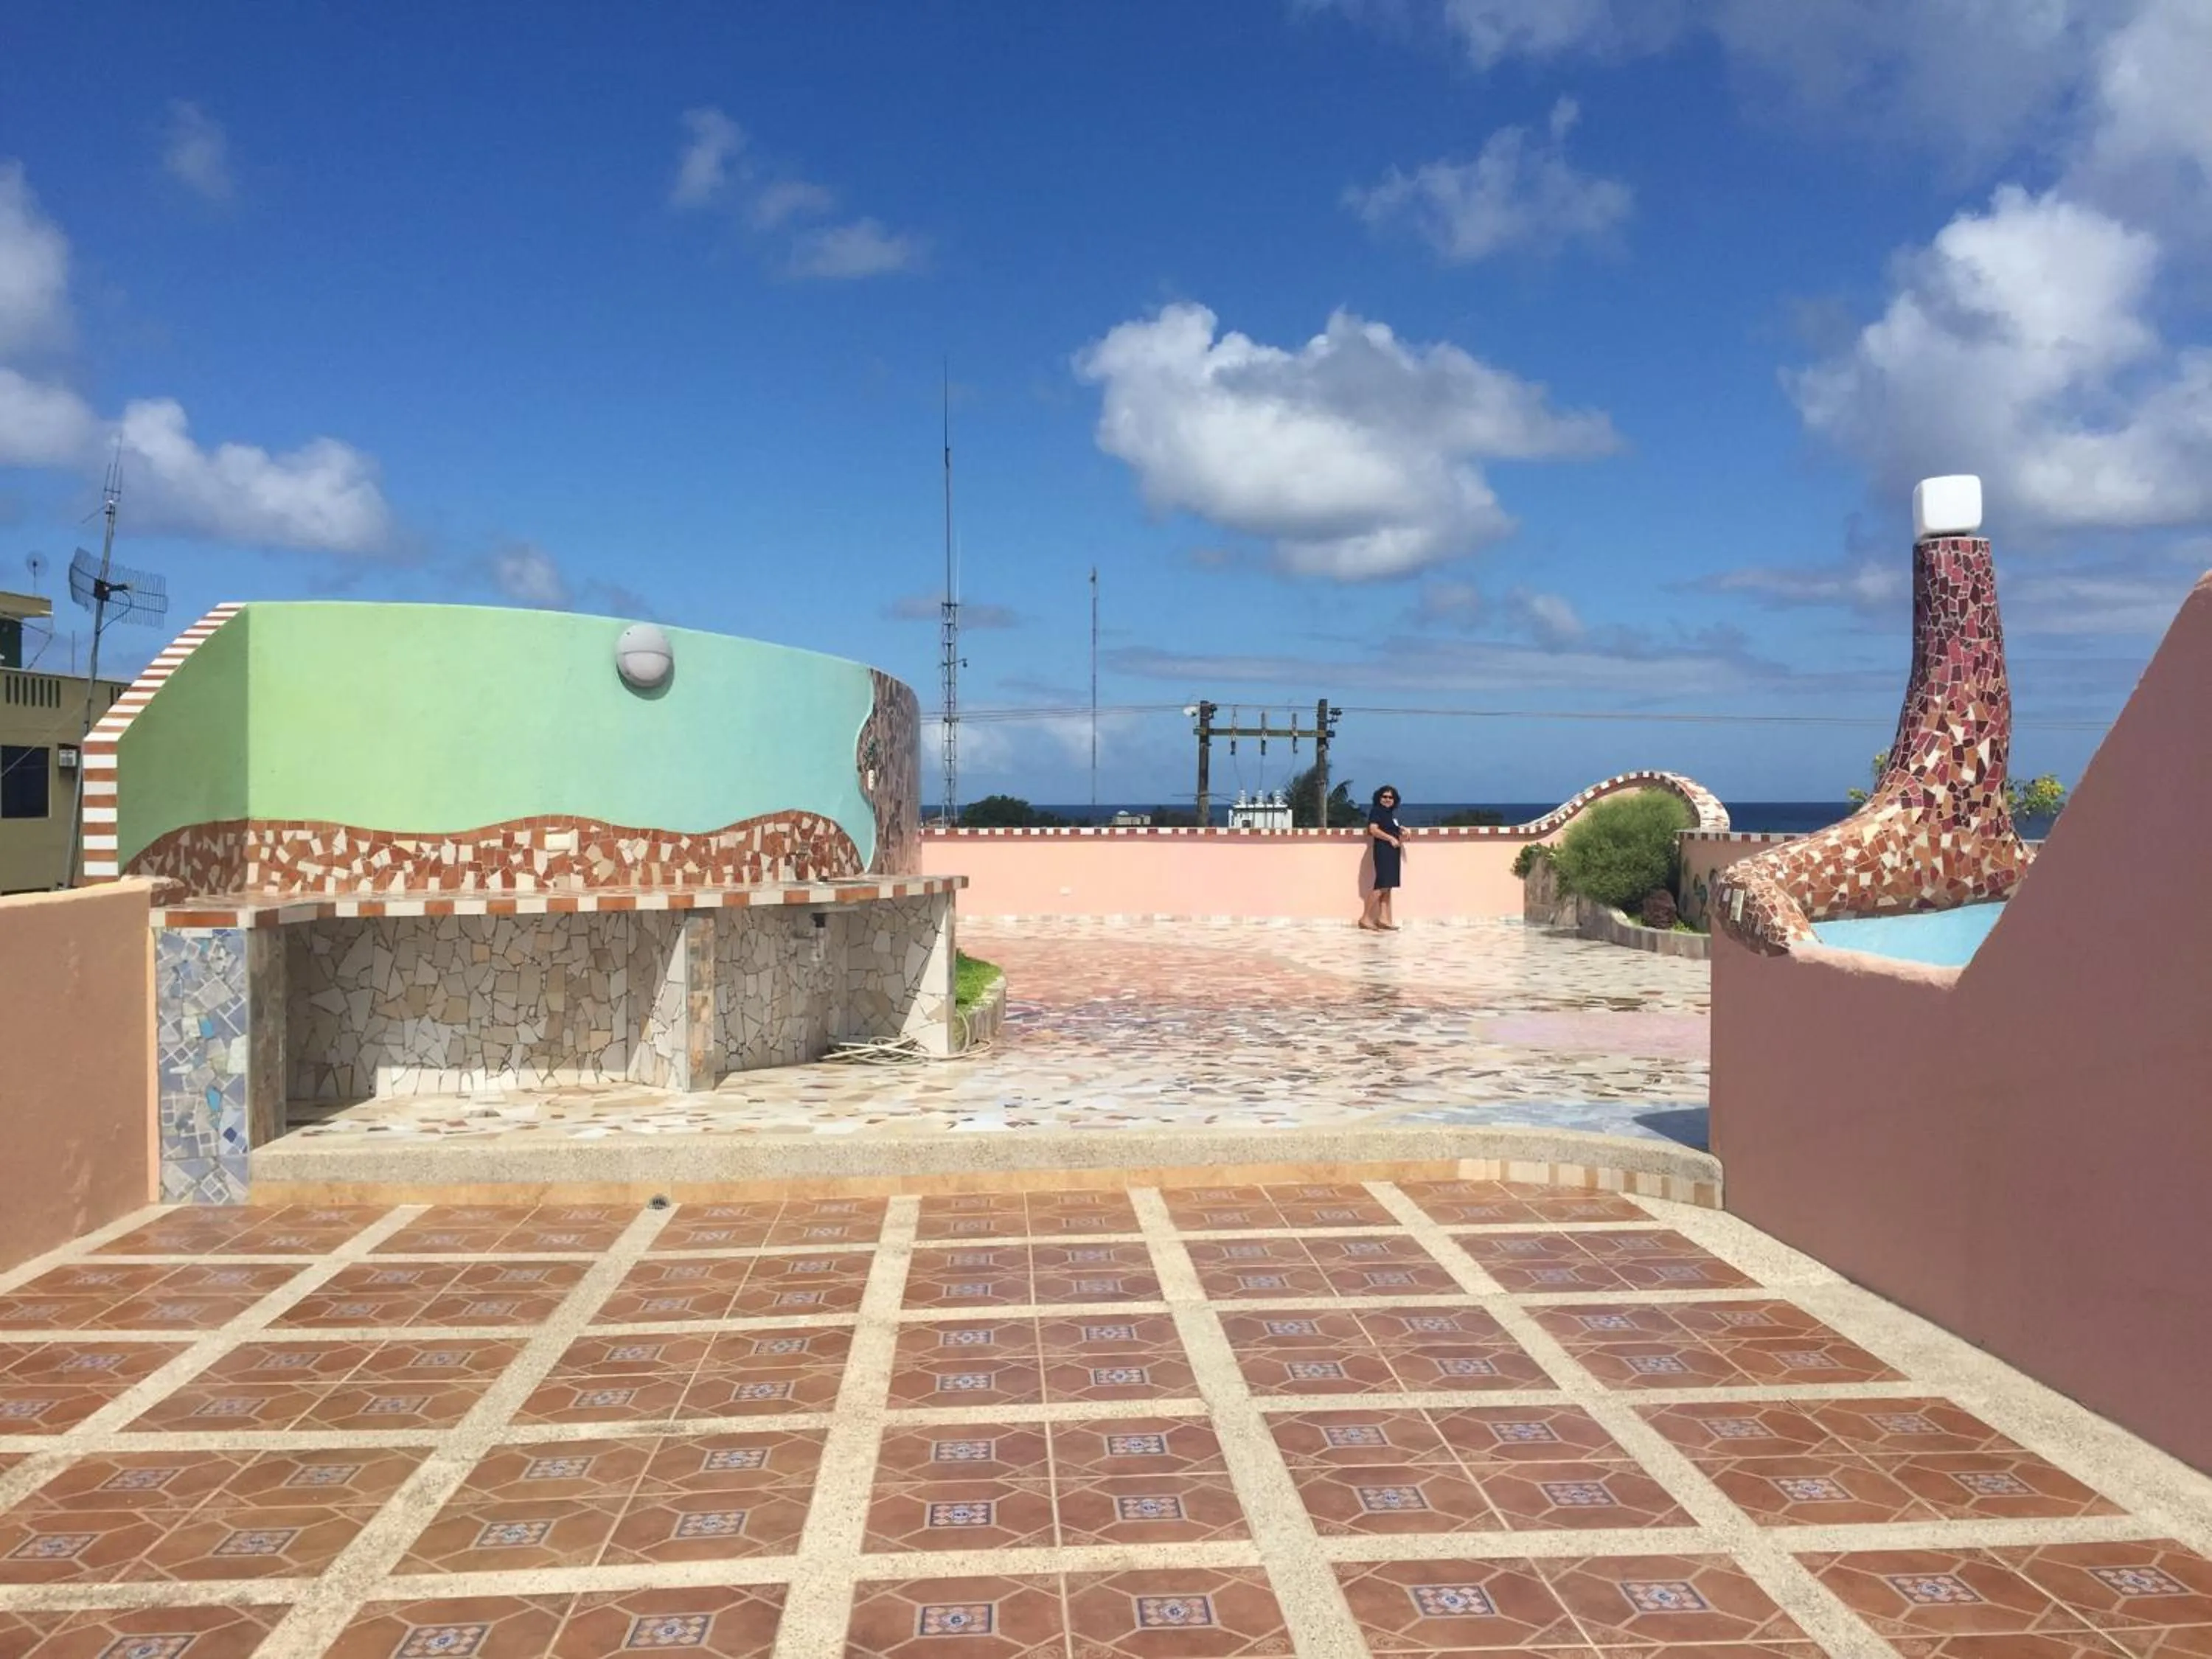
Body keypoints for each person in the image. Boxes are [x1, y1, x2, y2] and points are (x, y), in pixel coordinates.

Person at [1360, 785, 1406, 931]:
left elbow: (1390, 828)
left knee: (1388, 887)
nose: (1387, 799)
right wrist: (1390, 839)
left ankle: (1384, 918)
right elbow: (1373, 829)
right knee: (1381, 886)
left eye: (1390, 797)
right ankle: (1365, 918)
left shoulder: (1390, 814)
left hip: (1392, 853)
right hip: (1383, 851)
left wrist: (1402, 830)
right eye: (1384, 797)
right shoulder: (1377, 811)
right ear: (1379, 798)